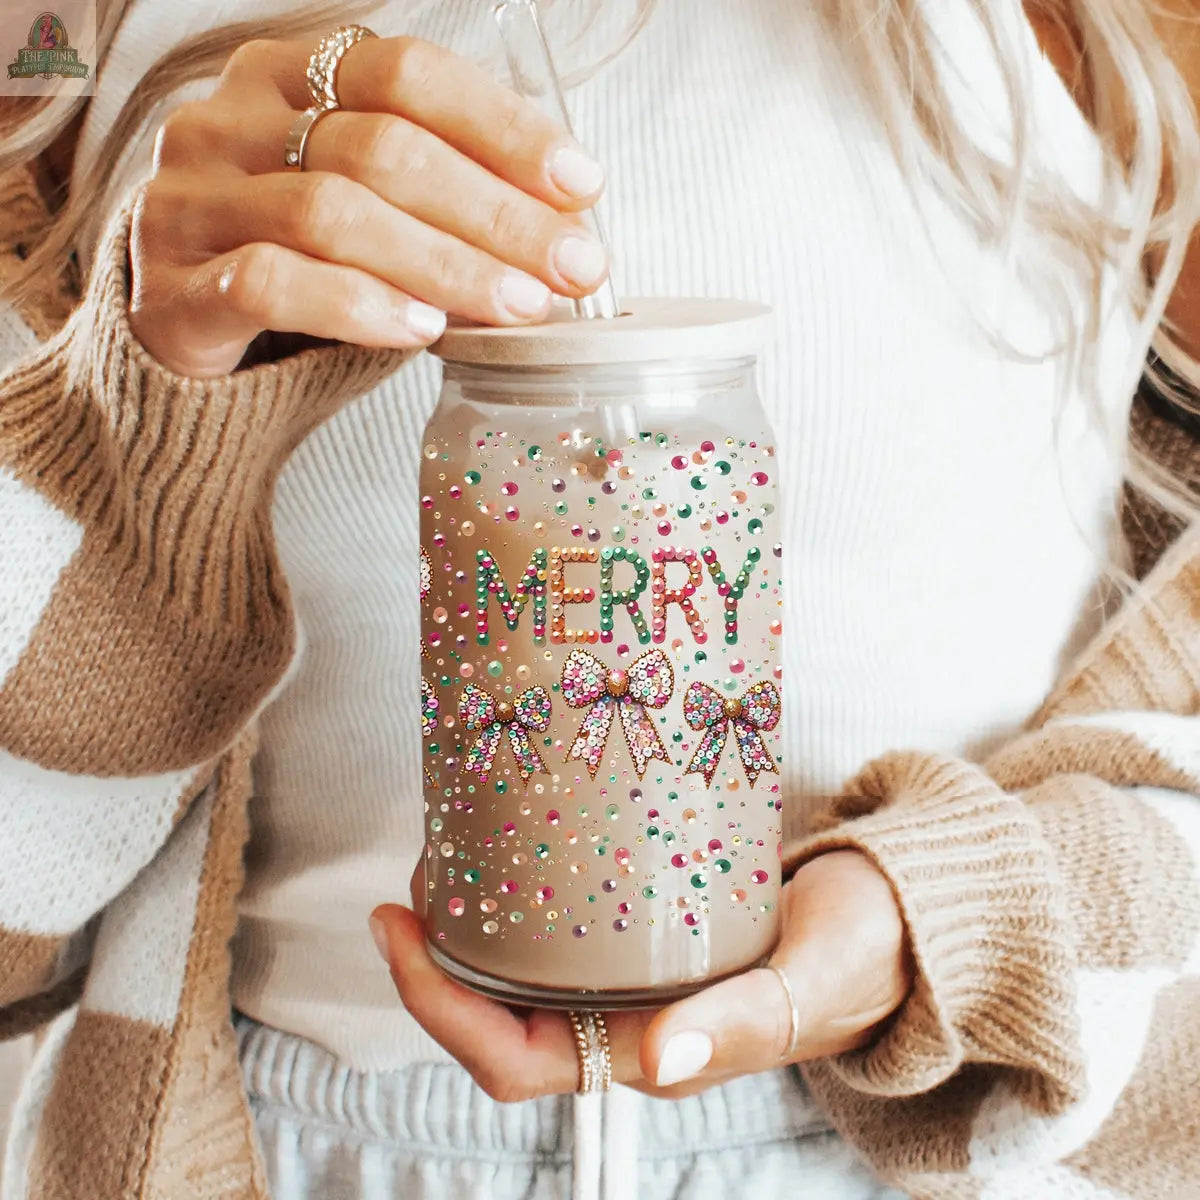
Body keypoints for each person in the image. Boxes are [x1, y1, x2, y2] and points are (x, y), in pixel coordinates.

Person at [1, 1, 1199, 1197]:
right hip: (280, 1146)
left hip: (933, 1139)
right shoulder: (61, 48)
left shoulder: (1099, 40)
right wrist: (131, 428)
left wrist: (962, 920)